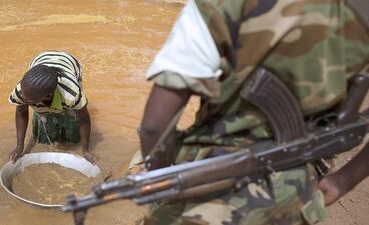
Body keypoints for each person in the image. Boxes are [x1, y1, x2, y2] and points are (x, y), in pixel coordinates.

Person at [138, 0, 369, 224]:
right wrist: (345, 179)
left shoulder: (221, 5)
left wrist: (163, 183)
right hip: (295, 199)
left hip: (206, 197)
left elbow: (154, 126)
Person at [8, 51, 93, 163]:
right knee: (42, 114)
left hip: (70, 63)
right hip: (39, 61)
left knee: (72, 117)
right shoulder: (22, 90)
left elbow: (84, 118)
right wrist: (19, 146)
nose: (23, 98)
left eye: (28, 98)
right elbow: (21, 111)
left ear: (48, 96)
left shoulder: (71, 94)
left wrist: (85, 149)